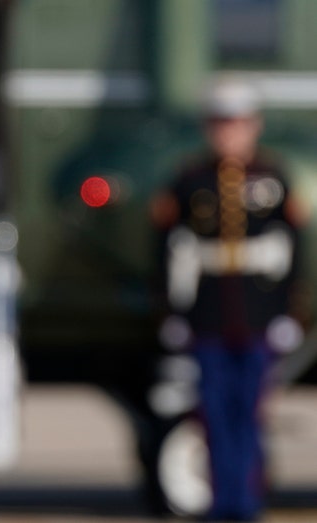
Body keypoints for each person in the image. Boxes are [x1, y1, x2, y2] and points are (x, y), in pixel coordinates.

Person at [149, 76, 308, 521]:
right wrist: (173, 311)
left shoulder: (273, 176)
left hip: (259, 314)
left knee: (251, 412)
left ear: (253, 126)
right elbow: (166, 247)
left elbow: (292, 248)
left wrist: (288, 311)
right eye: (221, 124)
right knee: (215, 413)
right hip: (209, 314)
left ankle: (247, 503)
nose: (229, 133)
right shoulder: (190, 179)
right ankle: (223, 504)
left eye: (238, 123)